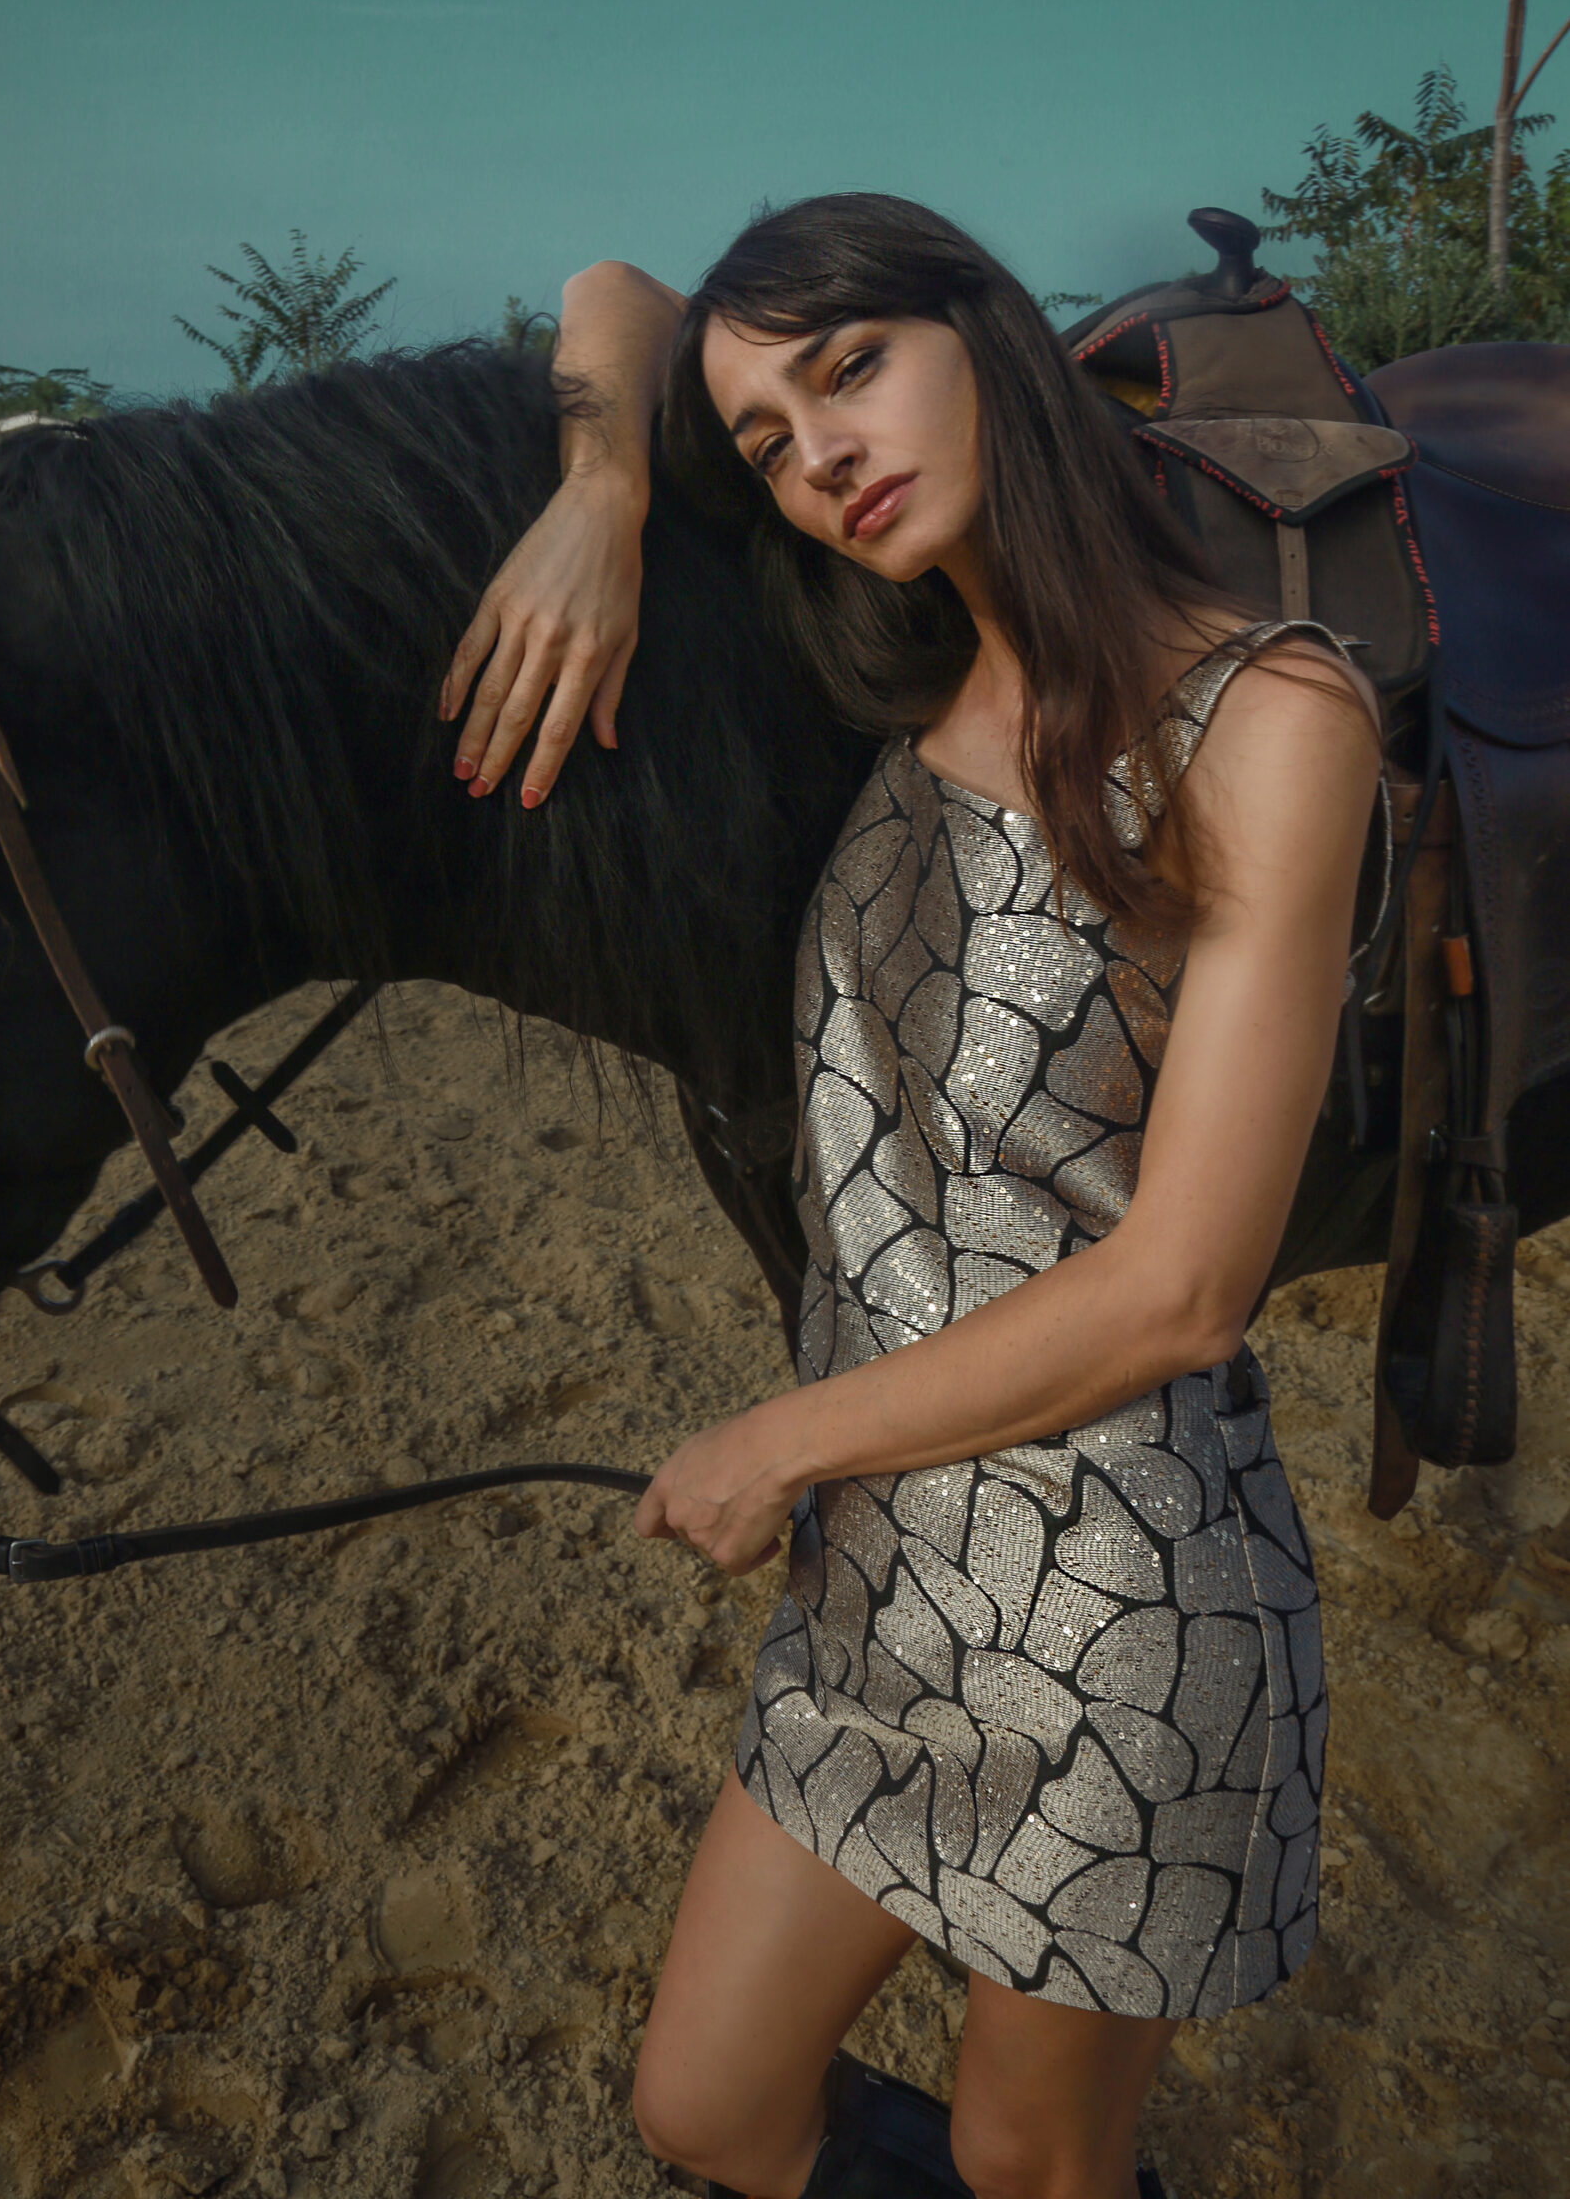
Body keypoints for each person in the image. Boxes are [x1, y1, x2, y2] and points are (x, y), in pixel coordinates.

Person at [440, 196, 1380, 2199]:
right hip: (878, 1577)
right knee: (704, 2101)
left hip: (1117, 1594)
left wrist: (776, 1435)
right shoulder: (903, 670)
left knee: (1025, 2159)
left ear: (987, 331)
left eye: (851, 366)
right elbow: (609, 285)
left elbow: (1185, 1286)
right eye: (769, 437)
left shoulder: (1264, 722)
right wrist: (607, 492)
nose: (815, 455)